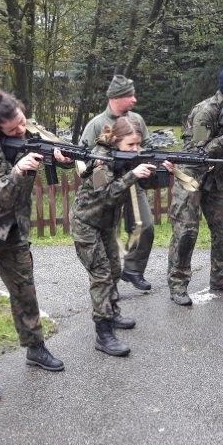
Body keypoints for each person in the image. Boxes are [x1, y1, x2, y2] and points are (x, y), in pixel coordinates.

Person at [0, 90, 68, 401]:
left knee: (24, 288)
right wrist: (19, 170)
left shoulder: (30, 130)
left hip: (13, 227)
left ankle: (35, 347)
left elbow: (57, 151)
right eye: (12, 129)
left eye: (21, 122)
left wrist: (62, 157)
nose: (21, 130)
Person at [71, 117, 173, 356]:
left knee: (115, 270)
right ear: (115, 141)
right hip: (86, 223)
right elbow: (106, 196)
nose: (136, 149)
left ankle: (112, 312)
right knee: (101, 275)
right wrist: (133, 174)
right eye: (130, 145)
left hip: (106, 223)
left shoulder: (127, 157)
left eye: (138, 144)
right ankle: (104, 333)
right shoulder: (101, 160)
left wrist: (161, 171)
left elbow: (144, 184)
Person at [167, 66, 223, 306]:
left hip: (217, 175)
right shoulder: (205, 111)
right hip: (191, 173)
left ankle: (221, 275)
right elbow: (197, 152)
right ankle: (177, 283)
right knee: (186, 231)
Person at [80, 75, 155, 291]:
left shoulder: (136, 119)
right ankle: (108, 284)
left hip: (134, 181)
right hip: (107, 188)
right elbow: (83, 156)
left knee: (145, 226)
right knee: (108, 236)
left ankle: (132, 269)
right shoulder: (96, 124)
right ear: (115, 97)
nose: (134, 100)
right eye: (129, 95)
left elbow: (148, 146)